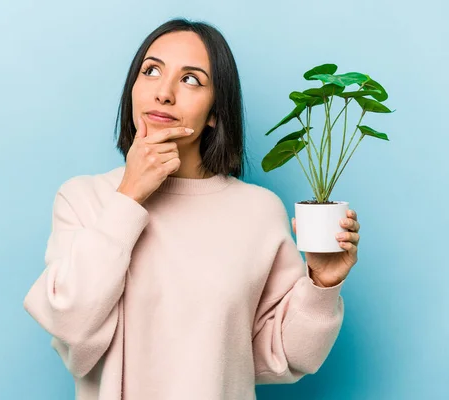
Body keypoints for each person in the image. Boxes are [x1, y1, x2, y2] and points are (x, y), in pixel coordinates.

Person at [24, 17, 361, 400]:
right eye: (150, 71)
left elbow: (279, 357)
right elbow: (71, 324)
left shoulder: (258, 211)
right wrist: (129, 196)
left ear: (216, 112)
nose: (163, 93)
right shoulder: (85, 199)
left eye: (191, 80)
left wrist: (322, 285)